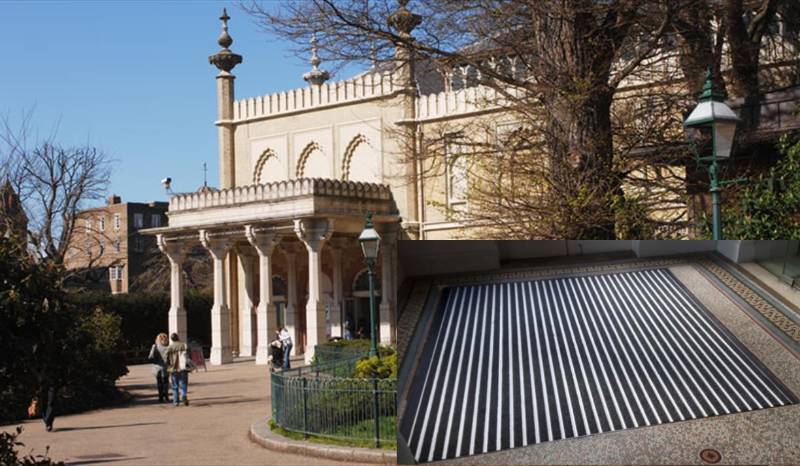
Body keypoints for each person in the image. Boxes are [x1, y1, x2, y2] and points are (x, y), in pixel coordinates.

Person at [165, 333, 191, 406]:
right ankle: (184, 395)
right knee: (183, 383)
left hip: (173, 368)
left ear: (171, 339)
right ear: (178, 337)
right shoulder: (184, 345)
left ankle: (176, 402)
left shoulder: (170, 347)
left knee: (175, 385)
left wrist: (168, 365)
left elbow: (165, 357)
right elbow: (189, 354)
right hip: (183, 368)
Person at [148, 333, 170, 403]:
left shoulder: (155, 347)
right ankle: (166, 395)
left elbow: (150, 357)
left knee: (159, 382)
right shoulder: (168, 347)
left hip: (157, 367)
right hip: (166, 367)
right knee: (166, 382)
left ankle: (160, 396)